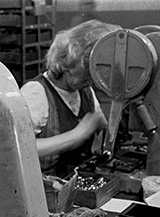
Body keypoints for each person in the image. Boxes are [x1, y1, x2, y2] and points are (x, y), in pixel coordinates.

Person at [21, 19, 120, 178]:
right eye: (87, 67)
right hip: (43, 185)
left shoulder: (85, 90)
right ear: (67, 60)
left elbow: (99, 123)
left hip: (73, 180)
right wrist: (78, 134)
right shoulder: (36, 93)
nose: (92, 76)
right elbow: (18, 148)